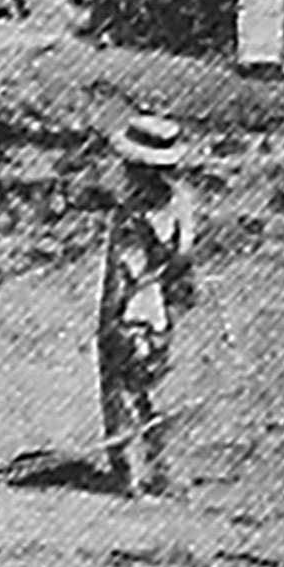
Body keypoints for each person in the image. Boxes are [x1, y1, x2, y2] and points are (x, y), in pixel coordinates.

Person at [96, 114, 196, 498]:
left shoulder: (132, 214)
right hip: (160, 313)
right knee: (151, 392)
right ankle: (159, 471)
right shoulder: (182, 204)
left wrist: (109, 321)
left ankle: (129, 475)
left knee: (120, 391)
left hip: (132, 310)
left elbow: (123, 273)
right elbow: (183, 264)